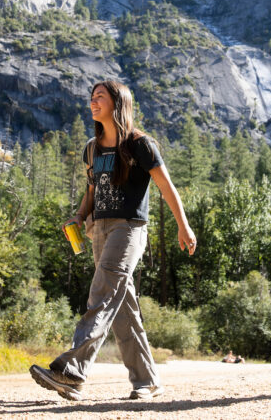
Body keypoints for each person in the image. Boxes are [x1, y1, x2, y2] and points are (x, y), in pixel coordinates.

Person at [30, 80, 197, 401]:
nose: (93, 102)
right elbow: (92, 190)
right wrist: (79, 217)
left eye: (100, 97)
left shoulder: (140, 145)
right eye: (91, 98)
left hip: (129, 228)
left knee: (103, 293)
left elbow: (166, 187)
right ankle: (147, 380)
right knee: (122, 308)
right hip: (99, 229)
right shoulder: (93, 148)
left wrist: (183, 226)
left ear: (118, 103)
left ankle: (71, 371)